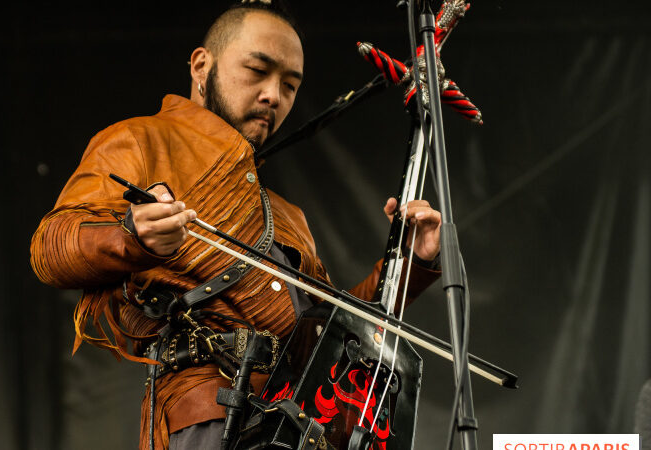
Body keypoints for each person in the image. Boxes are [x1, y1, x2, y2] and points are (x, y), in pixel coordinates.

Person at [30, 2, 442, 448]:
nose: (273, 96)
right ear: (201, 65)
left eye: (290, 84)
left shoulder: (287, 215)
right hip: (210, 415)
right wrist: (132, 236)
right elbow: (51, 248)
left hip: (295, 427)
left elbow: (330, 336)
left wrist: (410, 265)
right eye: (257, 71)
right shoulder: (141, 139)